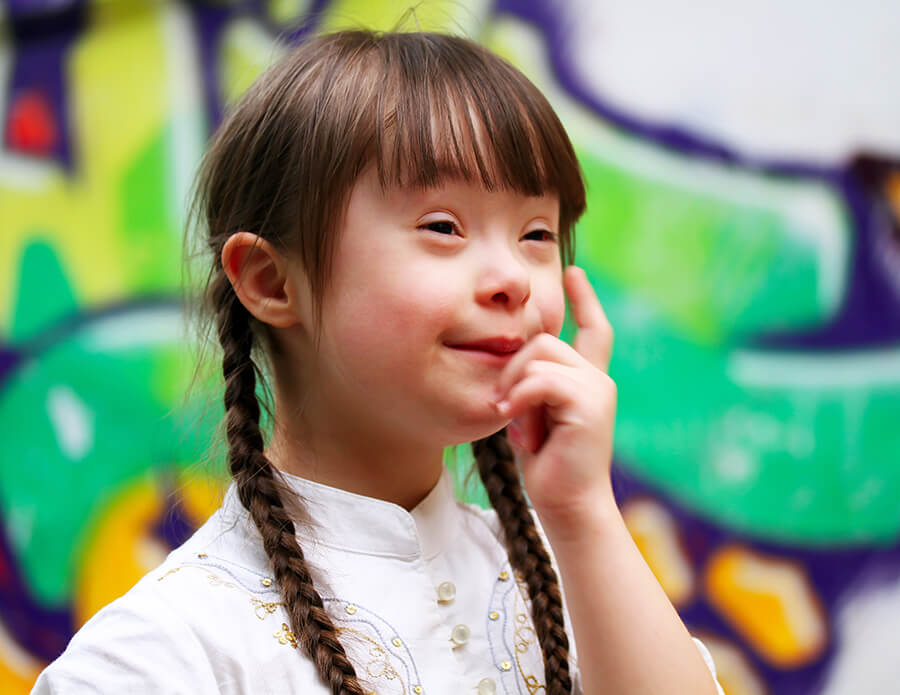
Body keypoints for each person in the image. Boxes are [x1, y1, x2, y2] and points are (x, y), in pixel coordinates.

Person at [32, 30, 725, 695]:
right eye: (443, 227)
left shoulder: (576, 577)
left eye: (536, 233)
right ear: (273, 282)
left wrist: (580, 510)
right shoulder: (157, 656)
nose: (512, 277)